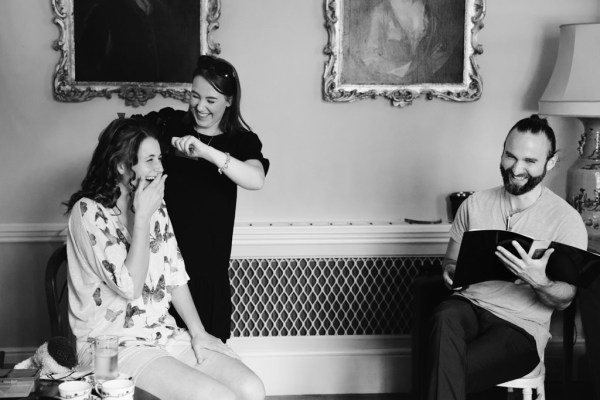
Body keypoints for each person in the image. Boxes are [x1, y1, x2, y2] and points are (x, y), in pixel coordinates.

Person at [63, 117, 265, 400]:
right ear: (121, 166)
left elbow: (174, 274)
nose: (159, 167)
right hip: (110, 346)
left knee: (251, 389)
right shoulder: (88, 212)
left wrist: (198, 333)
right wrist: (142, 217)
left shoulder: (153, 203)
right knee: (217, 397)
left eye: (159, 158)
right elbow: (130, 287)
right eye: (149, 160)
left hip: (162, 334)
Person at [423, 115, 588, 400]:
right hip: (469, 306)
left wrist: (540, 281)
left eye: (530, 161)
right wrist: (451, 270)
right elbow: (449, 262)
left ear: (550, 163)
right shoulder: (474, 204)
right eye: (510, 156)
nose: (517, 168)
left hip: (520, 327)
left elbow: (565, 298)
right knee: (444, 314)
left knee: (444, 369)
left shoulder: (566, 221)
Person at [142, 55, 270, 342]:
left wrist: (205, 151)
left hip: (206, 270)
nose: (200, 106)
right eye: (195, 96)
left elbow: (255, 179)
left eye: (211, 100)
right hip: (159, 264)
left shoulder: (241, 141)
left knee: (209, 356)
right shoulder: (169, 123)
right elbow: (121, 143)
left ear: (229, 100)